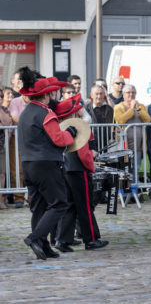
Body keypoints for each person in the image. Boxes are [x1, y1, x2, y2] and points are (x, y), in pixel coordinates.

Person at [16, 68, 74, 260]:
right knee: (59, 204)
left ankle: (44, 246)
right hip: (45, 164)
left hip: (28, 165)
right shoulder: (45, 113)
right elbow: (58, 139)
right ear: (45, 95)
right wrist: (71, 134)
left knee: (39, 207)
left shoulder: (25, 113)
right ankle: (35, 238)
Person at [52, 95, 108, 252]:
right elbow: (84, 154)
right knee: (85, 206)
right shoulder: (78, 127)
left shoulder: (61, 126)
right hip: (78, 170)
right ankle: (90, 239)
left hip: (66, 169)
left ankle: (62, 240)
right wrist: (92, 158)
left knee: (69, 206)